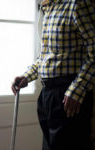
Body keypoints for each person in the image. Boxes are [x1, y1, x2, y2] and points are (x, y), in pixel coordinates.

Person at [12, 0, 95, 150]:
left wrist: (77, 89)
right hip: (47, 96)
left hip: (69, 95)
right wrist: (27, 76)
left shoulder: (77, 4)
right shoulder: (48, 9)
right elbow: (46, 56)